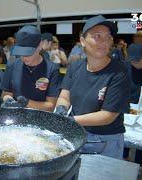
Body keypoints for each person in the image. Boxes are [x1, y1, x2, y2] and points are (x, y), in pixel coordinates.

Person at [54, 15, 130, 159]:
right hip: (76, 133)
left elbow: (108, 115)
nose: (104, 42)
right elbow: (65, 95)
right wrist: (61, 109)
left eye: (108, 37)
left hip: (105, 140)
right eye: (97, 36)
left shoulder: (119, 71)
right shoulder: (75, 67)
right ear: (83, 41)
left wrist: (71, 120)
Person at [0, 26, 61, 112]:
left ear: (40, 45)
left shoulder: (52, 69)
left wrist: (27, 103)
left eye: (28, 54)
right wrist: (8, 100)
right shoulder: (12, 66)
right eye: (20, 54)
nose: (23, 58)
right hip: (17, 116)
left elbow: (51, 105)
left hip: (40, 118)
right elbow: (6, 93)